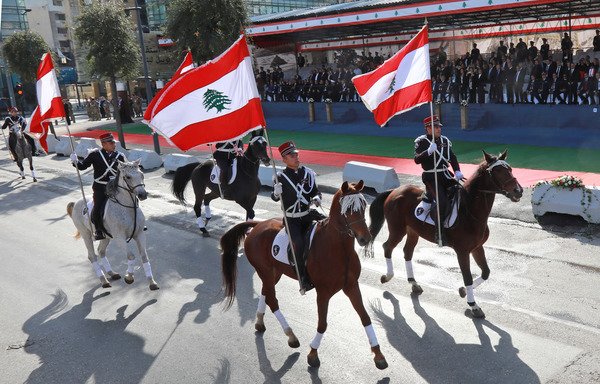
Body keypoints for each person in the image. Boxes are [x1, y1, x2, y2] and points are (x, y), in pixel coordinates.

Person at [272, 141, 324, 294]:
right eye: (291, 155)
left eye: (296, 154)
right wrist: (276, 192)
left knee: (329, 229)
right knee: (299, 245)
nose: (295, 157)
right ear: (284, 159)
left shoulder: (308, 173)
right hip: (292, 220)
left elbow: (315, 191)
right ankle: (303, 279)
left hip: (308, 215)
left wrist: (317, 198)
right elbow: (274, 198)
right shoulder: (280, 176)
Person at [414, 115, 463, 245]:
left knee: (463, 192)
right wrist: (428, 152)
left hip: (445, 175)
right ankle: (439, 233)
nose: (438, 129)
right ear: (428, 128)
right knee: (442, 201)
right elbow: (417, 160)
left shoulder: (445, 140)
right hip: (431, 177)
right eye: (435, 126)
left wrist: (457, 170)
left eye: (439, 126)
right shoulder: (422, 141)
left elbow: (452, 157)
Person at [70, 132, 127, 240]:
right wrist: (75, 161)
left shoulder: (120, 156)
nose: (114, 144)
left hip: (115, 187)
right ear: (103, 144)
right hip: (100, 188)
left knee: (131, 200)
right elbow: (82, 167)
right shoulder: (95, 155)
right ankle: (99, 230)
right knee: (97, 208)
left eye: (113, 142)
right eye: (111, 143)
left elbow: (125, 171)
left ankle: (135, 223)